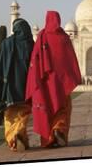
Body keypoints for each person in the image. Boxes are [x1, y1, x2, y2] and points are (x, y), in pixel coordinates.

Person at [25, 11, 81, 148]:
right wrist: (71, 78)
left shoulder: (42, 36)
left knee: (46, 107)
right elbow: (71, 61)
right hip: (61, 82)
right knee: (63, 107)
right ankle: (58, 129)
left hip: (46, 81)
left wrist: (35, 78)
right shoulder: (64, 38)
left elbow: (35, 59)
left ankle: (49, 138)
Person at [0, 18, 34, 152]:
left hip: (10, 89)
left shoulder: (6, 43)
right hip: (26, 88)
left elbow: (1, 65)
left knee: (9, 115)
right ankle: (20, 135)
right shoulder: (31, 44)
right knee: (23, 113)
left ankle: (14, 139)